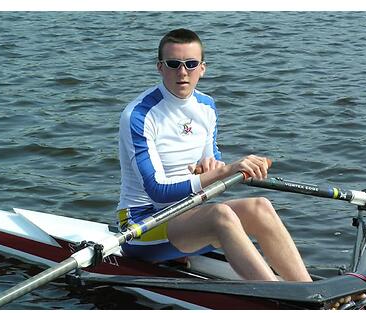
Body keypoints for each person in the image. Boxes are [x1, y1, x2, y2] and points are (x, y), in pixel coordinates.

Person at [117, 28, 312, 282]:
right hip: (143, 224)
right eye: (173, 64)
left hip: (188, 215)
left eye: (191, 64)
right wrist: (224, 171)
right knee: (220, 215)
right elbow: (157, 191)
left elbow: (212, 166)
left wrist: (213, 167)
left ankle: (311, 293)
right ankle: (281, 300)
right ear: (159, 67)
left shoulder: (206, 107)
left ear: (202, 68)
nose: (183, 72)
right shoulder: (139, 116)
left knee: (260, 207)